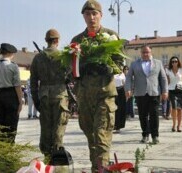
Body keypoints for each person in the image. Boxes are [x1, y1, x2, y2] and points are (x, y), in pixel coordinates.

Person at [71, 1, 123, 172]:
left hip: (104, 95)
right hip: (84, 96)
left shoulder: (111, 37)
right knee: (91, 138)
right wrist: (80, 69)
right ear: (83, 16)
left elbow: (120, 64)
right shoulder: (77, 41)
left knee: (101, 137)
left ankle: (101, 170)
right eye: (87, 14)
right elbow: (71, 69)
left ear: (101, 15)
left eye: (94, 14)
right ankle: (97, 168)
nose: (91, 18)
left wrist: (107, 67)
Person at [30, 29, 70, 163]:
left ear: (46, 41)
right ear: (57, 40)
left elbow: (33, 81)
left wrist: (36, 100)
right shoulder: (63, 55)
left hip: (44, 96)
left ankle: (47, 157)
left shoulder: (38, 57)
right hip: (60, 95)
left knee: (46, 127)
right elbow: (71, 75)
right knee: (59, 126)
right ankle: (57, 154)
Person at [125, 45, 168, 144]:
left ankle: (155, 136)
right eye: (143, 52)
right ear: (140, 53)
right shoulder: (134, 64)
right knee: (142, 115)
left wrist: (165, 91)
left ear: (151, 52)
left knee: (154, 115)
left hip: (154, 92)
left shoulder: (158, 63)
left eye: (147, 52)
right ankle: (145, 134)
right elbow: (128, 78)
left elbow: (163, 78)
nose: (145, 54)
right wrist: (128, 89)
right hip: (140, 93)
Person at [0, 43, 23, 143]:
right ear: (10, 53)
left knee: (0, 125)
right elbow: (17, 85)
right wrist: (20, 101)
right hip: (11, 96)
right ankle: (10, 149)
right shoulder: (13, 66)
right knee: (11, 125)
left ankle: (1, 149)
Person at [166, 56, 182, 133]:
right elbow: (167, 82)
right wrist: (166, 92)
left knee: (180, 108)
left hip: (181, 90)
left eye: (175, 61)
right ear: (171, 63)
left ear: (178, 62)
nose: (174, 62)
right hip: (171, 90)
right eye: (173, 61)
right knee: (174, 108)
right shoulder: (168, 70)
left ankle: (179, 126)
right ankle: (174, 125)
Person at [113, 66, 126, 133]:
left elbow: (124, 84)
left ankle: (119, 126)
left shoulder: (122, 75)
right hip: (113, 90)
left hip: (121, 91)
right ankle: (114, 125)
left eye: (121, 68)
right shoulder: (112, 75)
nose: (120, 69)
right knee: (114, 109)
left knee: (120, 109)